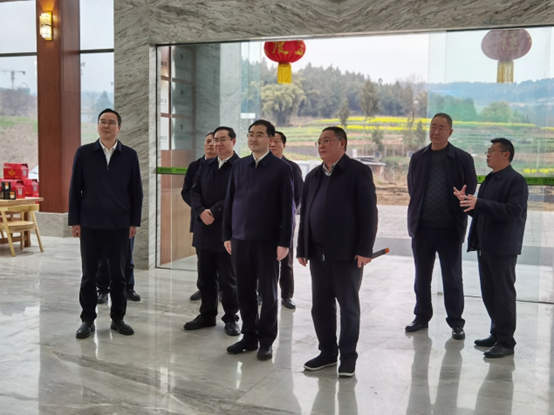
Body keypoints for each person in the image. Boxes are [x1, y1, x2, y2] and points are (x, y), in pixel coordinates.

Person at [297, 126, 378, 378]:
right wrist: (302, 248)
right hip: (317, 253)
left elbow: (369, 213)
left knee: (348, 308)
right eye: (319, 141)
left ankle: (348, 357)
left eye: (327, 140)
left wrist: (364, 249)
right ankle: (327, 353)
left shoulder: (357, 172)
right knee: (320, 307)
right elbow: (305, 213)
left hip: (347, 254)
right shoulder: (313, 176)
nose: (321, 145)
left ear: (342, 144)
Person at [223, 119, 294, 360]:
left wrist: (284, 242)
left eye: (260, 134)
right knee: (244, 291)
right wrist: (227, 235)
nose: (254, 138)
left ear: (271, 139)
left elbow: (288, 209)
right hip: (240, 239)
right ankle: (249, 337)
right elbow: (230, 202)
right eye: (251, 134)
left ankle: (266, 341)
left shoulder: (281, 169)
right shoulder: (239, 166)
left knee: (269, 294)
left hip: (268, 242)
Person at [69, 108, 143, 339]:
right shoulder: (84, 153)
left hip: (120, 225)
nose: (106, 125)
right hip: (90, 224)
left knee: (119, 275)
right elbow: (75, 189)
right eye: (102, 121)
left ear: (119, 128)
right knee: (89, 275)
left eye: (111, 122)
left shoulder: (129, 155)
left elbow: (136, 191)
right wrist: (75, 221)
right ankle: (87, 320)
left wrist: (133, 222)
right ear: (98, 125)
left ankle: (118, 318)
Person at [405, 113, 477, 340]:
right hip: (422, 228)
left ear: (450, 132)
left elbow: (470, 188)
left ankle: (456, 322)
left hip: (450, 228)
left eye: (441, 128)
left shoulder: (462, 158)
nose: (436, 132)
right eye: (433, 127)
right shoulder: (418, 157)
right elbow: (413, 188)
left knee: (452, 277)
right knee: (421, 277)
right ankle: (421, 317)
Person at [455, 138, 528, 358]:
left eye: (493, 150)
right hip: (485, 245)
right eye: (488, 150)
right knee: (489, 294)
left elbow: (513, 211)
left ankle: (506, 342)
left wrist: (479, 203)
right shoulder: (490, 179)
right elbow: (483, 211)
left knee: (503, 295)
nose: (488, 154)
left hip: (502, 247)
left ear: (506, 155)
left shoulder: (515, 181)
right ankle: (496, 334)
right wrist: (466, 202)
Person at [184, 126, 240, 336]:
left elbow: (237, 195)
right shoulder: (205, 165)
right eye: (215, 139)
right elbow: (194, 191)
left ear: (233, 142)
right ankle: (207, 315)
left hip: (226, 231)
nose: (218, 143)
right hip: (203, 228)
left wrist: (214, 211)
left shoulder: (240, 166)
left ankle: (231, 318)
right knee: (206, 278)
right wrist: (200, 211)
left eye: (223, 139)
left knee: (228, 280)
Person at [269, 131, 304, 310]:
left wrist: (287, 213)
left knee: (286, 261)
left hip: (285, 222)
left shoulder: (292, 168)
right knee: (264, 261)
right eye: (270, 141)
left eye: (276, 141)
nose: (272, 144)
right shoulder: (262, 166)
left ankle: (287, 295)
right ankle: (263, 293)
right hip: (264, 223)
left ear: (284, 145)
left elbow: (298, 196)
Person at [181, 132, 217, 302]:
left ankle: (221, 290)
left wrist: (213, 210)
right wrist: (200, 210)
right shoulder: (195, 166)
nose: (210, 144)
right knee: (202, 258)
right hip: (199, 218)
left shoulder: (228, 166)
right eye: (208, 141)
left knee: (221, 259)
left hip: (220, 218)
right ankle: (202, 288)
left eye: (214, 141)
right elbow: (187, 191)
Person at [96, 236, 140, 304]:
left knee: (127, 256)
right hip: (104, 229)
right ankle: (103, 290)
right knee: (103, 257)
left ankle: (128, 288)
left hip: (125, 229)